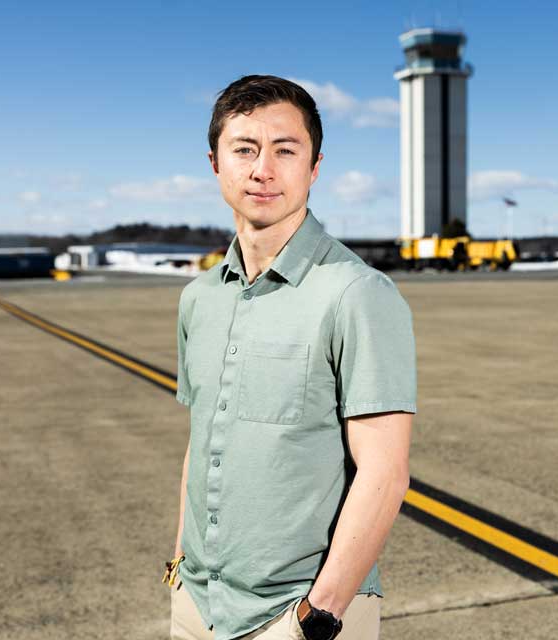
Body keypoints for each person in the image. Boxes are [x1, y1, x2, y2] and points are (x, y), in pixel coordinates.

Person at [167, 75, 417, 640]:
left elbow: (385, 470)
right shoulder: (198, 298)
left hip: (297, 615)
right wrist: (180, 562)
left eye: (286, 150)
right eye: (245, 150)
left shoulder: (356, 293)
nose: (263, 169)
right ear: (215, 163)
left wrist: (319, 616)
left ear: (315, 166)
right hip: (198, 603)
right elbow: (201, 437)